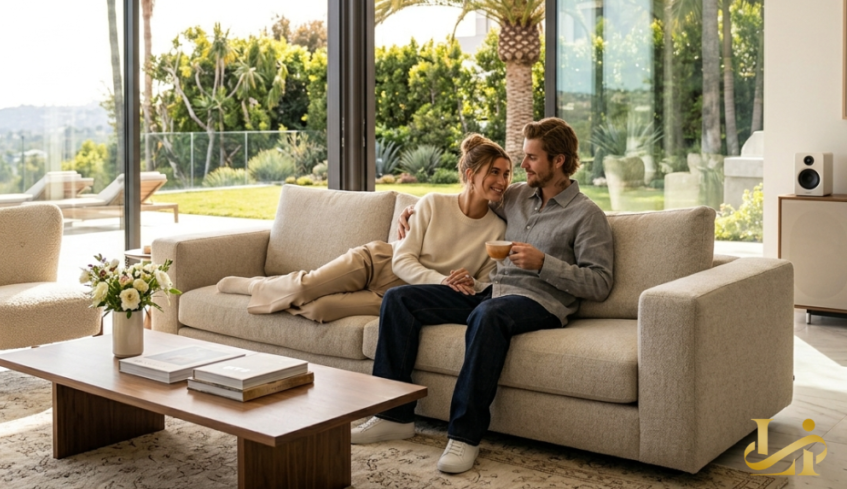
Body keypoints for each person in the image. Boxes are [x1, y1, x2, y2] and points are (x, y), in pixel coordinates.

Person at [351, 117, 615, 475]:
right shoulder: (517, 196)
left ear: (559, 161)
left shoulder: (587, 215)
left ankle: (464, 435)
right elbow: (471, 197)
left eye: (532, 158)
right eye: (523, 157)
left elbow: (599, 283)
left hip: (541, 303)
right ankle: (393, 413)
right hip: (491, 292)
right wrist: (415, 211)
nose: (522, 167)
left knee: (487, 316)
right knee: (401, 300)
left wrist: (544, 264)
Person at [216, 134, 511, 323]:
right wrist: (441, 281)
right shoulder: (433, 203)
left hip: (401, 295)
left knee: (320, 310)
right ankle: (258, 285)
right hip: (377, 263)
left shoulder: (498, 230)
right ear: (471, 175)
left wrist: (469, 285)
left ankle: (281, 290)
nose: (502, 181)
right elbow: (402, 259)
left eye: (507, 174)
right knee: (306, 287)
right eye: (494, 172)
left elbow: (485, 283)